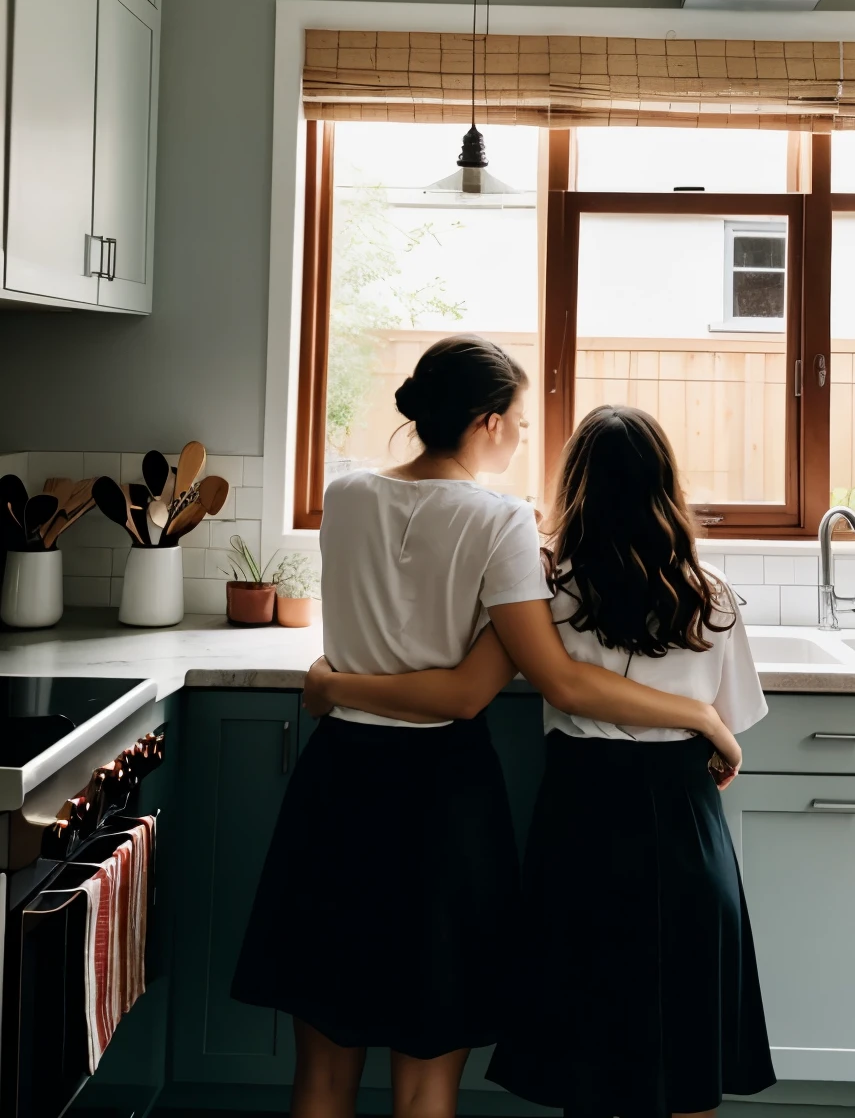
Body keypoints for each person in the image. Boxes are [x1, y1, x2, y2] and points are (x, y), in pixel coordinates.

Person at [232, 339, 743, 1118]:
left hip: (335, 782)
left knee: (324, 1070)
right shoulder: (503, 522)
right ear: (488, 422)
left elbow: (366, 641)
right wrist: (702, 714)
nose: (523, 437)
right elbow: (489, 690)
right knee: (426, 1076)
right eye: (519, 422)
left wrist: (338, 685)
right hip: (437, 796)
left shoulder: (344, 495)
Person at [487, 405, 776, 1118]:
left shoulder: (550, 597)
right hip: (684, 819)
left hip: (580, 819)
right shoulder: (711, 599)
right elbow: (731, 721)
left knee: (588, 1056)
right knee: (690, 1051)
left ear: (578, 489)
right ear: (665, 488)